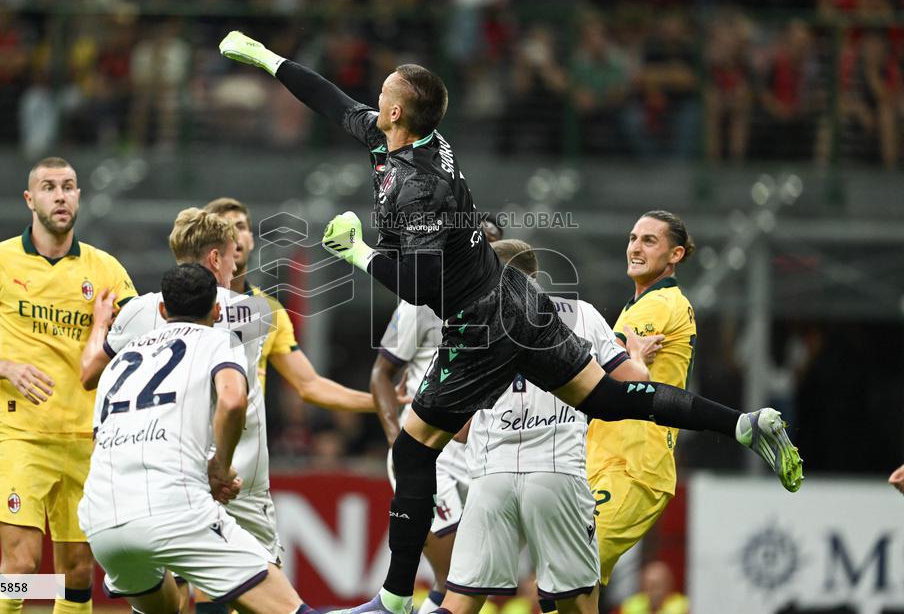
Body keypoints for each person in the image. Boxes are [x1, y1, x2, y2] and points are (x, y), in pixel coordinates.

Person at [219, 30, 803, 614]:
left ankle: (395, 599)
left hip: (480, 323)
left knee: (414, 450)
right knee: (608, 397)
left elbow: (422, 288)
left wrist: (359, 253)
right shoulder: (402, 137)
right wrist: (269, 60)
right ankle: (743, 425)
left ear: (396, 112)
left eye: (383, 94)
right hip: (519, 300)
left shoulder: (418, 189)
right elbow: (332, 102)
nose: (373, 101)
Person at [0, 157, 137, 614]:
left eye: (69, 186)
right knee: (21, 564)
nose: (60, 195)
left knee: (77, 570)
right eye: (49, 187)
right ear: (29, 199)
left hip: (86, 438)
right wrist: (8, 368)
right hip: (21, 436)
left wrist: (105, 330)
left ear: (78, 196)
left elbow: (141, 342)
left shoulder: (107, 271)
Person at [441, 239, 661, 614]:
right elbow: (629, 383)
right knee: (579, 602)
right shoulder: (581, 314)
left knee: (460, 602)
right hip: (557, 475)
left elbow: (459, 431)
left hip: (491, 476)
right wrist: (638, 354)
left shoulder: (470, 324)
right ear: (537, 278)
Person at [79, 263, 311, 614]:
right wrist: (219, 467)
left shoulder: (118, 362)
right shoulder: (219, 339)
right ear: (217, 312)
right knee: (288, 609)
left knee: (168, 607)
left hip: (103, 521)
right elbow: (233, 402)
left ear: (161, 310)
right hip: (176, 510)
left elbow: (99, 443)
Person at [370, 216, 504, 614]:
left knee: (470, 585)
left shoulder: (508, 307)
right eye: (484, 243)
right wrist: (400, 442)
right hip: (432, 453)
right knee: (454, 580)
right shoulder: (422, 301)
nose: (490, 251)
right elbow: (381, 374)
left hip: (480, 453)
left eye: (497, 244)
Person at [586, 211, 695, 587]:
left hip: (634, 466)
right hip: (606, 459)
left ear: (676, 255)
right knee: (572, 585)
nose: (635, 247)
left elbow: (599, 372)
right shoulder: (637, 305)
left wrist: (628, 362)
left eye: (649, 240)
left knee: (571, 564)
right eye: (633, 238)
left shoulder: (659, 305)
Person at [202, 196, 382, 411]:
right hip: (189, 442)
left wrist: (385, 402)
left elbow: (309, 385)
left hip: (247, 443)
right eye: (223, 228)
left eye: (239, 227)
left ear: (251, 239)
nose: (233, 235)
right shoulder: (183, 302)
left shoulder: (269, 311)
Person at [618, 562, 689, 614]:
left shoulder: (682, 606)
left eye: (657, 586)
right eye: (648, 586)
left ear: (669, 585)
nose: (653, 592)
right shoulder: (630, 605)